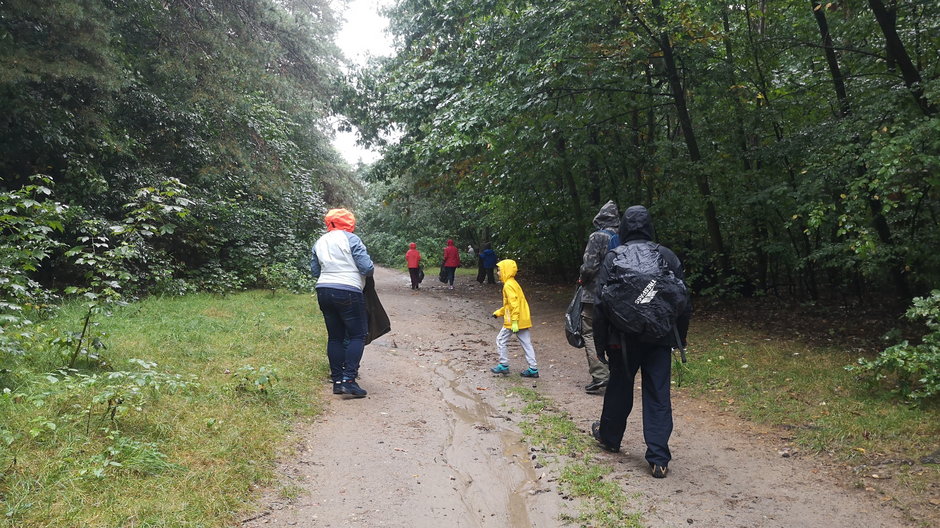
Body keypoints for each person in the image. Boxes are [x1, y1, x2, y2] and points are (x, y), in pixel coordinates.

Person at [591, 205, 691, 478]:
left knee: (619, 388)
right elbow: (683, 301)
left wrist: (600, 344)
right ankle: (658, 458)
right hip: (659, 337)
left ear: (623, 227)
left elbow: (600, 306)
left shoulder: (613, 257)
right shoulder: (666, 256)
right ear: (649, 226)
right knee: (658, 393)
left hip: (622, 340)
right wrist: (679, 338)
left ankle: (610, 439)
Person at [310, 208, 375, 398]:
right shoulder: (352, 239)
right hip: (348, 290)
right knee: (358, 335)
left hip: (323, 289)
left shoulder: (320, 241)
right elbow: (367, 268)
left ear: (329, 222)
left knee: (335, 337)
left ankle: (338, 381)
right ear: (349, 223)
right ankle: (349, 380)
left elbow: (315, 270)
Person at [578, 200, 619, 394]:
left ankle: (600, 375)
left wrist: (581, 278)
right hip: (617, 295)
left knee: (590, 332)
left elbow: (590, 267)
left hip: (594, 294)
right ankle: (616, 372)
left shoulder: (597, 237)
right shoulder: (623, 236)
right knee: (613, 332)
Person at [489, 259, 539, 378]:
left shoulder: (508, 285)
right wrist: (498, 313)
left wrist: (514, 321)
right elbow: (511, 304)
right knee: (527, 343)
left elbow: (514, 305)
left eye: (499, 270)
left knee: (501, 340)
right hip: (522, 318)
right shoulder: (514, 283)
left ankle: (503, 365)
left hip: (513, 320)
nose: (498, 273)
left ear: (506, 270)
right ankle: (533, 368)